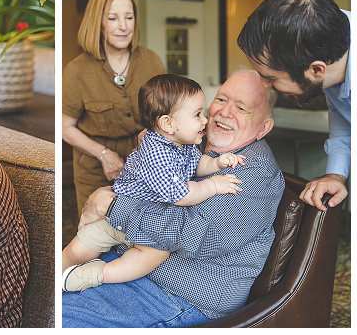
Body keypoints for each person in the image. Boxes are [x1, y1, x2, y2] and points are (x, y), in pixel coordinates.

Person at [63, 70, 284, 326]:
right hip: (128, 262)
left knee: (66, 319)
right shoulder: (187, 142)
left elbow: (193, 234)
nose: (224, 112)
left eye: (242, 108)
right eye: (222, 100)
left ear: (264, 127)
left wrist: (113, 205)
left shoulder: (255, 173)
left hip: (176, 297)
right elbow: (146, 186)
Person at [62, 74, 244, 292]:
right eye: (197, 114)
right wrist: (213, 185)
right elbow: (181, 196)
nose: (205, 120)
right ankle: (61, 268)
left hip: (148, 223)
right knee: (81, 247)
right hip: (120, 216)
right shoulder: (155, 154)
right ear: (168, 123)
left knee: (154, 254)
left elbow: (197, 165)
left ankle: (96, 274)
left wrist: (216, 163)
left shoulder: (181, 143)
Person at [238, 0, 350, 210]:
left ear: (317, 70)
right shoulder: (328, 44)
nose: (264, 85)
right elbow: (344, 120)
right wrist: (336, 174)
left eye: (270, 77)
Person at [62, 0, 165, 210]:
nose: (123, 26)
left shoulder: (152, 61)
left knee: (141, 232)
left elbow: (167, 112)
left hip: (146, 161)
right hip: (94, 168)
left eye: (129, 17)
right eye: (112, 18)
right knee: (95, 235)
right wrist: (103, 154)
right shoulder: (77, 70)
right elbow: (64, 126)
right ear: (97, 22)